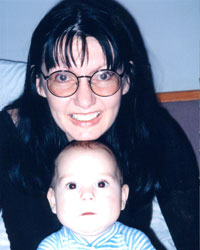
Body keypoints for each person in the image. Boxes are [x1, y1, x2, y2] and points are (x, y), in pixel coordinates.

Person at [0, 0, 198, 249]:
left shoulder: (152, 130)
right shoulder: (12, 134)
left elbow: (193, 233)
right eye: (63, 77)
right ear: (39, 84)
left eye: (104, 75)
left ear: (126, 80)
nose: (85, 101)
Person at [37, 141, 156, 249]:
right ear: (53, 200)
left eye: (101, 184)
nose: (87, 195)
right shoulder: (51, 246)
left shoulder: (135, 242)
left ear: (123, 197)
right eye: (72, 185)